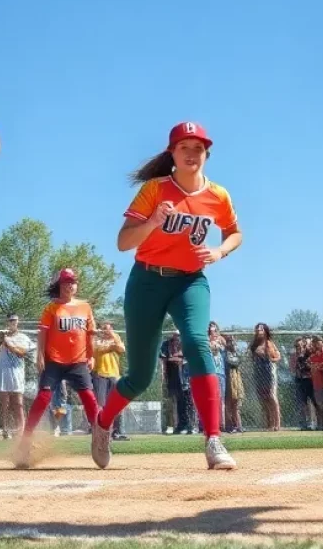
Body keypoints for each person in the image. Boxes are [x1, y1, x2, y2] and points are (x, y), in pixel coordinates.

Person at [90, 121, 242, 471]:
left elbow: (235, 232)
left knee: (197, 341)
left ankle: (214, 440)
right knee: (140, 376)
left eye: (199, 148)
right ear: (172, 153)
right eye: (184, 147)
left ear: (207, 155)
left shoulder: (218, 195)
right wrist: (153, 222)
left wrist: (220, 252)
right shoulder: (155, 190)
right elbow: (124, 242)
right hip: (147, 281)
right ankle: (102, 422)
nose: (192, 153)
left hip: (190, 281)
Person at [15, 268, 100, 467]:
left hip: (78, 361)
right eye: (66, 282)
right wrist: (39, 356)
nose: (70, 286)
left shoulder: (85, 307)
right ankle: (26, 439)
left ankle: (99, 437)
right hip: (54, 360)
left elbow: (90, 333)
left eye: (73, 282)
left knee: (89, 397)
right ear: (60, 286)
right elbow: (43, 334)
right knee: (44, 397)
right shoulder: (51, 308)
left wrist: (91, 356)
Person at [0, 315, 33, 439]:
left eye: (14, 321)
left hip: (16, 373)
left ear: (18, 322)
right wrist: (0, 341)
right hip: (3, 373)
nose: (12, 323)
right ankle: (5, 429)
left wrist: (7, 342)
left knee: (18, 403)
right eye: (10, 321)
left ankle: (21, 430)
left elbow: (21, 353)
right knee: (4, 403)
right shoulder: (2, 338)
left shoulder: (23, 337)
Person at [91, 321, 127, 441]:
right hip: (100, 374)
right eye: (103, 328)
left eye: (108, 328)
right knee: (101, 405)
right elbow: (95, 350)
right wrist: (111, 347)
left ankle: (116, 432)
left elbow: (122, 349)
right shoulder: (96, 339)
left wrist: (113, 339)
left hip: (114, 375)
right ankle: (102, 432)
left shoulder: (116, 337)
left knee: (117, 404)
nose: (106, 331)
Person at [250, 323, 281, 431]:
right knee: (264, 399)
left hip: (269, 372)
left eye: (261, 329)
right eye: (257, 329)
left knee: (272, 396)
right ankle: (270, 423)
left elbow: (278, 356)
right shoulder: (254, 345)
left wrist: (271, 360)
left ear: (265, 331)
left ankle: (277, 424)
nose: (259, 331)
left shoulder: (269, 344)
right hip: (259, 373)